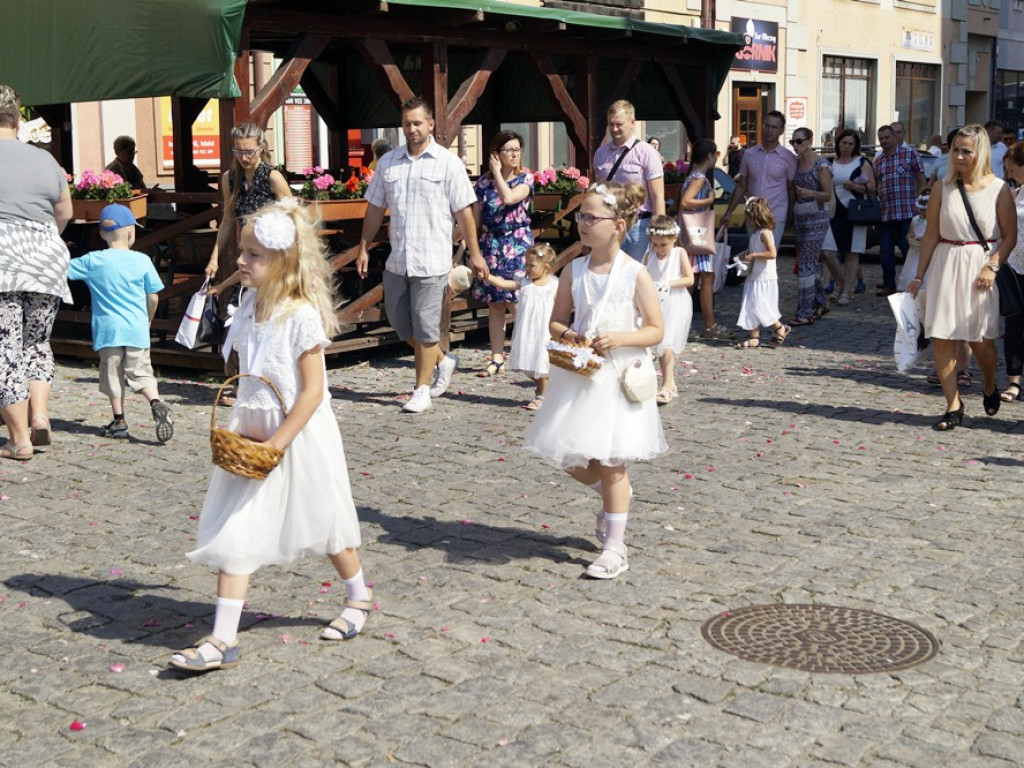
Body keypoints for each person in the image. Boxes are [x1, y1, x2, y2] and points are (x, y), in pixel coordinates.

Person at [172, 200, 373, 673]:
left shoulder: (299, 316)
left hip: (296, 437)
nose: (240, 261)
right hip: (252, 438)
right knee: (236, 530)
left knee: (325, 522)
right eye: (241, 252)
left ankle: (358, 596)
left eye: (253, 255)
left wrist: (277, 443)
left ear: (282, 261)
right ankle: (223, 639)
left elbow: (312, 392)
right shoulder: (248, 305)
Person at [524, 181, 666, 580]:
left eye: (590, 218)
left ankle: (615, 547)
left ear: (617, 225)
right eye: (580, 217)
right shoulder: (574, 269)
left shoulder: (635, 273)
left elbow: (656, 329)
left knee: (611, 461)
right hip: (581, 376)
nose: (582, 224)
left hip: (617, 380)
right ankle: (614, 496)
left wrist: (620, 337)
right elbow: (556, 322)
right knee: (564, 453)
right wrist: (571, 334)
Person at [356, 96, 488, 413]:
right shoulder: (388, 163)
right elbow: (374, 208)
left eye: (417, 123)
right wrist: (363, 247)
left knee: (427, 327)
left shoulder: (448, 163)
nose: (412, 129)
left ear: (430, 124)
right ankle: (443, 360)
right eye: (406, 124)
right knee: (401, 324)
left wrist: (475, 253)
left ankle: (421, 389)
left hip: (432, 260)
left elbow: (464, 212)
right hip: (398, 261)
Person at [906, 125, 1016, 431]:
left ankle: (989, 384)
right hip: (946, 262)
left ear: (980, 153)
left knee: (982, 341)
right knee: (942, 337)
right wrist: (919, 275)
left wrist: (992, 266)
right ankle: (953, 405)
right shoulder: (942, 187)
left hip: (980, 265)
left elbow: (1009, 236)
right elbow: (931, 234)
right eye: (955, 149)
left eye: (966, 151)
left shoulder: (999, 189)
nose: (959, 156)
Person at [0, 84, 73, 461]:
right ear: (17, 120)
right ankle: (40, 415)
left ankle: (19, 440)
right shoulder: (46, 160)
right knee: (36, 342)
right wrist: (40, 245)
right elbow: (64, 213)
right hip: (46, 257)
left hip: (2, 259)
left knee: (5, 348)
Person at [66, 204, 173, 442]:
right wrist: (148, 320)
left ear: (102, 234)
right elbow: (153, 297)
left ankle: (119, 421)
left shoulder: (93, 261)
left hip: (108, 331)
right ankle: (155, 402)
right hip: (136, 329)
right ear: (131, 232)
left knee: (112, 374)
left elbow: (63, 269)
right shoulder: (142, 260)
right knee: (141, 373)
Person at [471, 130, 534, 377]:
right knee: (495, 304)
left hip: (517, 245)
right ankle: (497, 357)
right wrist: (465, 250)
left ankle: (531, 353)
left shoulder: (525, 179)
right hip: (491, 245)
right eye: (509, 150)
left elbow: (508, 198)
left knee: (517, 300)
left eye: (517, 149)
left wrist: (497, 173)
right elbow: (475, 222)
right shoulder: (482, 184)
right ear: (496, 154)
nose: (514, 154)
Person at [204, 123, 292, 286]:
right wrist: (214, 258)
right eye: (238, 151)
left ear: (261, 148)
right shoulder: (229, 178)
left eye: (249, 152)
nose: (244, 158)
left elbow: (294, 221)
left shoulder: (273, 177)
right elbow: (228, 220)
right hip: (248, 255)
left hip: (272, 258)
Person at [483, 243, 558, 410]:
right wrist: (487, 277)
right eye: (526, 264)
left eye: (532, 265)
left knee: (541, 363)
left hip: (544, 332)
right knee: (526, 363)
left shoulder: (554, 286)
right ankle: (544, 387)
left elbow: (562, 305)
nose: (527, 268)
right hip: (527, 331)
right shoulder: (525, 283)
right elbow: (504, 284)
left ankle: (542, 395)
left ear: (545, 267)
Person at [592, 100, 665, 261]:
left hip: (638, 226)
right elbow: (597, 192)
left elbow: (658, 196)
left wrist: (659, 231)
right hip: (608, 223)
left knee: (636, 272)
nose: (614, 129)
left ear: (632, 122)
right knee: (608, 270)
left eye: (619, 124)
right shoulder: (601, 153)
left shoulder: (647, 152)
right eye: (611, 124)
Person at [719, 111, 796, 250]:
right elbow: (741, 186)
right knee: (755, 252)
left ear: (782, 131)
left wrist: (790, 214)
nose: (769, 130)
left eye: (774, 127)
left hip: (776, 214)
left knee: (769, 254)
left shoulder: (788, 157)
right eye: (767, 126)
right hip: (753, 214)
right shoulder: (749, 154)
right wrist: (729, 212)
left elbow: (791, 189)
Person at [642, 215, 694, 404]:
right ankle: (659, 383)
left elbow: (689, 279)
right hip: (654, 302)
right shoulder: (649, 256)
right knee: (652, 344)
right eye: (655, 244)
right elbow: (642, 277)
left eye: (663, 244)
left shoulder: (679, 253)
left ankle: (668, 384)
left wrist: (668, 284)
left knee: (666, 343)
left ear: (674, 238)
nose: (659, 249)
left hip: (675, 302)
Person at [679, 139, 727, 339]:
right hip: (697, 235)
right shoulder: (699, 177)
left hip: (694, 234)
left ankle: (687, 324)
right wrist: (709, 199)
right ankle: (709, 324)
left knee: (699, 278)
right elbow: (686, 202)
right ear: (709, 156)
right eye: (715, 154)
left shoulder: (693, 175)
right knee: (702, 278)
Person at [874, 124, 926, 296]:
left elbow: (921, 179)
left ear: (895, 137)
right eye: (881, 138)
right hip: (886, 213)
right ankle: (889, 284)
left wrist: (921, 203)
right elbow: (877, 185)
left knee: (908, 250)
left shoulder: (910, 154)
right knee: (885, 252)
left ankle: (914, 282)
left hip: (907, 212)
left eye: (887, 137)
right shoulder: (878, 161)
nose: (884, 141)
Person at [790, 127, 834, 324]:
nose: (795, 145)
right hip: (800, 218)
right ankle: (821, 302)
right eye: (792, 142)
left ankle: (805, 313)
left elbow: (828, 194)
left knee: (806, 263)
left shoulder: (820, 164)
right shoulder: (796, 163)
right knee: (811, 263)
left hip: (817, 218)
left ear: (809, 141)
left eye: (798, 141)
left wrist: (810, 193)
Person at [734, 197, 791, 350]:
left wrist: (753, 256)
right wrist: (744, 254)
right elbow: (754, 249)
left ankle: (780, 328)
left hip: (764, 276)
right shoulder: (755, 234)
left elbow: (772, 253)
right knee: (751, 305)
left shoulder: (765, 233)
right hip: (754, 275)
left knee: (761, 305)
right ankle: (754, 336)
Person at [829, 128, 876, 305]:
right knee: (829, 252)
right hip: (833, 210)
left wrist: (855, 187)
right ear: (838, 143)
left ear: (855, 145)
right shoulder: (829, 162)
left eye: (850, 143)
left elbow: (872, 187)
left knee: (851, 253)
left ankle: (846, 291)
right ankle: (839, 285)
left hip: (855, 211)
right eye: (844, 143)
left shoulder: (861, 162)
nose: (847, 146)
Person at [999, 141, 1024, 403]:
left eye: (1012, 169)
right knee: (1014, 325)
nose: (1009, 174)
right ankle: (1014, 380)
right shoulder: (1015, 193)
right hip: (1016, 269)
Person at [897, 192, 929, 292]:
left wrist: (923, 238)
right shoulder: (915, 219)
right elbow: (909, 233)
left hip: (926, 249)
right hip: (915, 250)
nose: (921, 212)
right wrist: (912, 238)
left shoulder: (931, 221)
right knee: (912, 269)